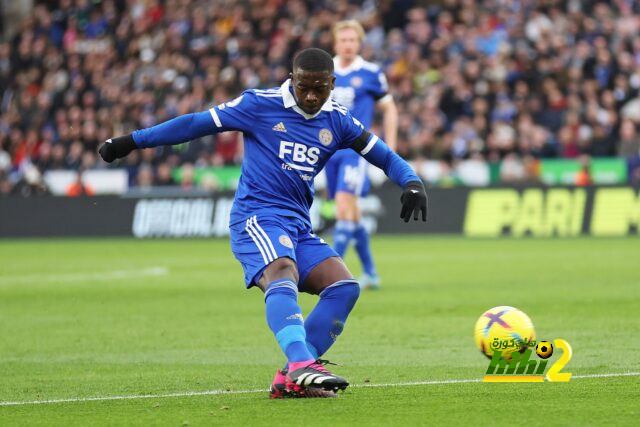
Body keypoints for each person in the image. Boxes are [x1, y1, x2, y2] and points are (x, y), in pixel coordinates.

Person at [99, 48, 427, 399]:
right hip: (256, 216)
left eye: (320, 88)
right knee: (282, 268)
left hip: (298, 224)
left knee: (344, 287)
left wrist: (411, 181)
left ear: (332, 84)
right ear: (292, 79)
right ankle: (302, 364)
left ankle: (290, 378)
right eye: (304, 87)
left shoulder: (338, 120)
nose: (312, 95)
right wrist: (130, 141)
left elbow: (385, 156)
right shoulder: (258, 104)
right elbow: (195, 124)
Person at [325, 20, 398, 290]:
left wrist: (389, 146)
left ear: (360, 43)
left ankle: (332, 273)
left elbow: (389, 109)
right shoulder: (324, 72)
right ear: (335, 43)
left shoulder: (370, 73)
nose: (348, 45)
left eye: (352, 40)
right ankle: (371, 273)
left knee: (344, 206)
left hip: (354, 151)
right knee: (351, 214)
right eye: (343, 40)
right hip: (326, 152)